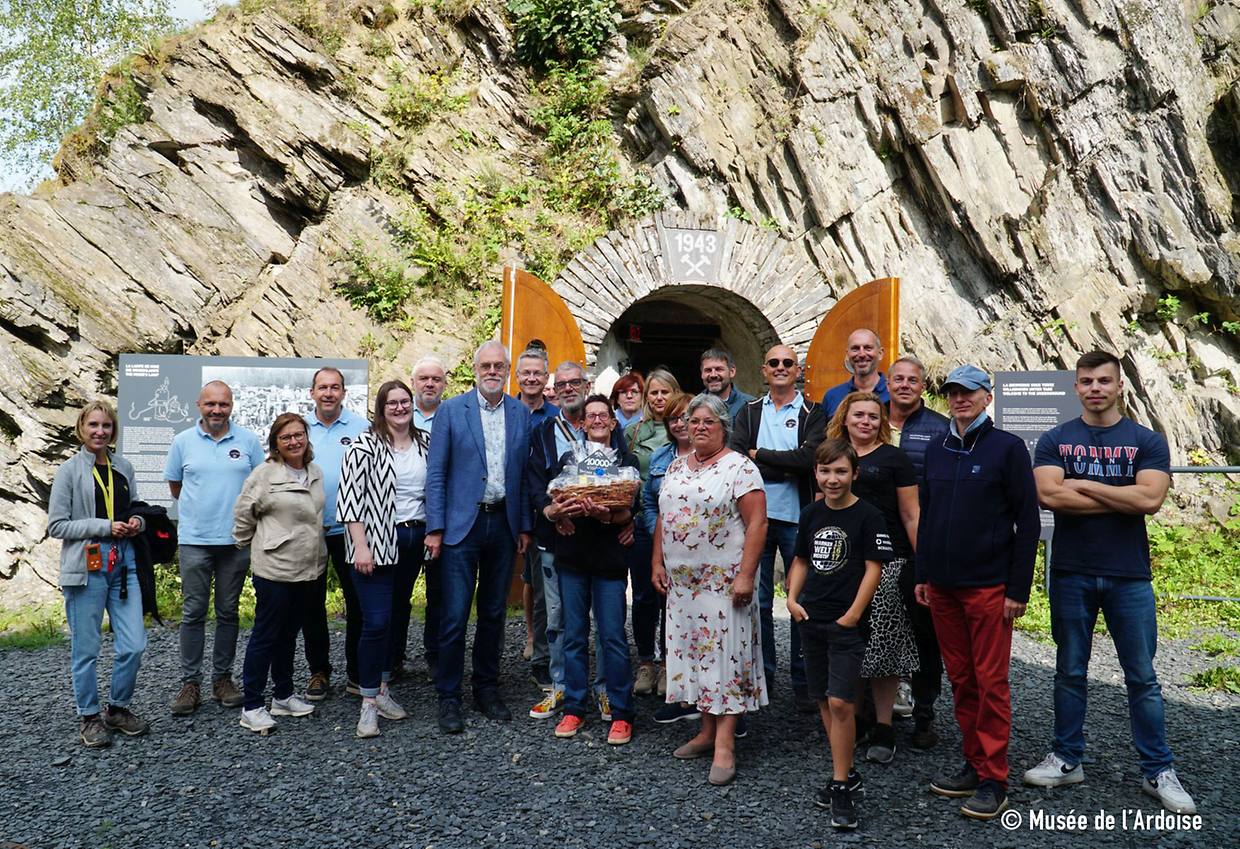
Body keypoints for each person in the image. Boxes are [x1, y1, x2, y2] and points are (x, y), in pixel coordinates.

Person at [1023, 350, 1195, 814]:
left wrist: (1082, 484)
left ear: (1120, 386)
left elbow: (1151, 500)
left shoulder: (1146, 440)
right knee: (1069, 671)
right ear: (1076, 387)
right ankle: (1066, 759)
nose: (1095, 388)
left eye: (1103, 380)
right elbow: (1047, 494)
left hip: (1129, 574)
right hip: (1071, 571)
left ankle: (1158, 770)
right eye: (1086, 381)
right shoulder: (1056, 438)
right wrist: (1123, 495)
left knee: (1142, 677)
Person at [914, 364, 1039, 820]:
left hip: (988, 586)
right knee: (962, 680)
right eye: (952, 392)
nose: (959, 399)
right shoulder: (937, 448)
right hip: (943, 587)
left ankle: (994, 779)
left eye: (969, 392)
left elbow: (1028, 522)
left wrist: (1018, 588)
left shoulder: (1007, 448)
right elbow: (927, 516)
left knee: (991, 682)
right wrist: (923, 574)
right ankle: (973, 763)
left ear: (987, 396)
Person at [653, 393, 767, 786]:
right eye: (694, 421)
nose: (700, 427)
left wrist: (746, 576)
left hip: (724, 585)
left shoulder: (740, 468)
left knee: (725, 659)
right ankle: (705, 732)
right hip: (683, 588)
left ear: (723, 427)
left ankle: (725, 744)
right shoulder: (675, 466)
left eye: (709, 421)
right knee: (696, 658)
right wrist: (656, 562)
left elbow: (758, 524)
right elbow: (664, 516)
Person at [425, 341, 534, 733]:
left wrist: (524, 526)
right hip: (460, 528)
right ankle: (449, 696)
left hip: (503, 525)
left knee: (493, 613)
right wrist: (435, 528)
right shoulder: (452, 410)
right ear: (475, 370)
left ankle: (486, 688)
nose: (492, 372)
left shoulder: (520, 413)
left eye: (498, 366)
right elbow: (436, 473)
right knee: (454, 616)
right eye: (485, 366)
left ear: (507, 371)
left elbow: (523, 475)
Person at [786, 439, 889, 830]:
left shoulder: (869, 516)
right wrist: (791, 599)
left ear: (855, 474)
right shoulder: (811, 513)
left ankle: (841, 785)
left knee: (842, 702)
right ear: (815, 473)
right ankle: (845, 771)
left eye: (841, 471)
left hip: (846, 625)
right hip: (811, 619)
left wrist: (853, 615)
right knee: (824, 701)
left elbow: (874, 568)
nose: (833, 479)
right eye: (826, 471)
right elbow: (801, 559)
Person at [729, 345, 825, 713]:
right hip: (754, 520)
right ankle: (763, 677)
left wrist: (762, 456)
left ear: (798, 370)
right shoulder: (749, 412)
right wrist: (786, 467)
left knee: (801, 601)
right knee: (758, 602)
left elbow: (810, 458)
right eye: (774, 363)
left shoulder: (813, 412)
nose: (781, 367)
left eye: (788, 363)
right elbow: (738, 459)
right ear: (764, 370)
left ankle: (803, 682)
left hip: (797, 518)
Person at [48, 401, 150, 747]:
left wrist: (138, 521)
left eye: (106, 426)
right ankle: (89, 716)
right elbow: (57, 525)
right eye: (93, 425)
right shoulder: (69, 470)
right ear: (81, 428)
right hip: (86, 566)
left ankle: (117, 709)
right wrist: (104, 526)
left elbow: (137, 507)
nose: (100, 431)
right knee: (86, 648)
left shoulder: (124, 467)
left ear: (113, 430)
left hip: (124, 563)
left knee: (134, 644)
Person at [538, 395, 639, 745]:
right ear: (581, 424)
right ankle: (575, 707)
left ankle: (622, 712)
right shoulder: (569, 460)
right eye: (590, 416)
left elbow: (628, 511)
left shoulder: (626, 462)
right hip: (573, 558)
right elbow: (553, 498)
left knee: (612, 637)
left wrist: (607, 515)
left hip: (610, 561)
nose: (597, 420)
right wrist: (557, 513)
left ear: (613, 422)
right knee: (574, 636)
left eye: (603, 415)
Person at [827, 391, 920, 764]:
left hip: (887, 562)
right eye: (858, 415)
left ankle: (884, 727)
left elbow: (911, 513)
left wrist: (921, 563)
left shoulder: (895, 458)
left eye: (872, 416)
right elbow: (822, 508)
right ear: (845, 418)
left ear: (881, 422)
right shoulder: (832, 455)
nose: (865, 421)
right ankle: (854, 721)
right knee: (848, 645)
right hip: (842, 563)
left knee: (883, 647)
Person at [165, 381, 265, 716]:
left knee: (228, 611)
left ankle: (222, 679)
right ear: (199, 405)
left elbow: (260, 484)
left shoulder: (248, 441)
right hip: (195, 540)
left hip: (236, 541)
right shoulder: (182, 442)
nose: (217, 410)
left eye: (223, 404)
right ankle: (190, 683)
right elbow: (176, 486)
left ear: (231, 406)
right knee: (193, 612)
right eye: (211, 404)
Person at [336, 380, 429, 737]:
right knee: (375, 623)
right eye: (392, 403)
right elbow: (349, 500)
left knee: (396, 617)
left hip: (413, 541)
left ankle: (384, 689)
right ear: (381, 408)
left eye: (405, 401)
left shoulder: (426, 443)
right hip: (374, 545)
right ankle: (368, 703)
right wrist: (360, 546)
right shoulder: (364, 446)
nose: (400, 408)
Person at [525, 363, 610, 718]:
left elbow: (623, 476)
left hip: (600, 537)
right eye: (561, 384)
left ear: (586, 386)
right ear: (554, 391)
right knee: (557, 617)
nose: (568, 388)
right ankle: (561, 685)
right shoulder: (543, 431)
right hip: (555, 540)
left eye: (575, 382)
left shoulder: (603, 424)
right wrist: (550, 512)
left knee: (603, 620)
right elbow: (533, 482)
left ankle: (605, 689)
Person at [233, 413, 326, 733]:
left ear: (306, 437)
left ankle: (283, 696)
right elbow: (243, 514)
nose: (294, 441)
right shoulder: (264, 475)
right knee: (266, 635)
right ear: (275, 443)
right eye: (285, 437)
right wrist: (256, 544)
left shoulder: (314, 472)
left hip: (309, 567)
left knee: (289, 634)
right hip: (275, 568)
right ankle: (252, 705)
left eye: (299, 435)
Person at [885, 355, 950, 745]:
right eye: (898, 379)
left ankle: (925, 712)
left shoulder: (939, 428)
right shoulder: (870, 419)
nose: (905, 385)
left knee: (924, 632)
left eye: (912, 380)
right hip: (878, 541)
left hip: (920, 541)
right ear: (888, 384)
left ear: (922, 387)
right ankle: (877, 714)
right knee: (879, 629)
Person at [303, 366, 367, 700]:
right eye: (322, 387)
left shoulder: (362, 428)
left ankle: (357, 672)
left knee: (358, 603)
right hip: (309, 529)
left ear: (344, 392)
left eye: (335, 387)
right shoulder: (299, 429)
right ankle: (319, 671)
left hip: (351, 529)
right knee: (311, 604)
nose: (328, 393)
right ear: (312, 392)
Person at [639, 392, 692, 709]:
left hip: (695, 551)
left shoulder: (711, 456)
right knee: (652, 602)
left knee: (683, 609)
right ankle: (651, 664)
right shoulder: (660, 458)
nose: (680, 423)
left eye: (685, 417)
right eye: (673, 418)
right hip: (659, 544)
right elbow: (649, 503)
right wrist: (657, 535)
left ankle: (674, 668)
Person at [513, 348, 558, 669]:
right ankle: (530, 637)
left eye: (537, 373)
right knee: (524, 581)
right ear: (516, 377)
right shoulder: (505, 411)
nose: (531, 378)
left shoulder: (556, 417)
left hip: (543, 514)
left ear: (545, 378)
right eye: (526, 373)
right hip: (509, 510)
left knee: (544, 587)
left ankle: (544, 653)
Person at [408, 355, 447, 682]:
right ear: (413, 384)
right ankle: (392, 657)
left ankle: (434, 654)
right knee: (397, 592)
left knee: (438, 593)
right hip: (403, 517)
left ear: (444, 385)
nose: (430, 384)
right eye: (424, 379)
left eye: (436, 379)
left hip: (440, 518)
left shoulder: (453, 416)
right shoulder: (399, 414)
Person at [624, 367, 682, 478]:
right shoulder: (633, 431)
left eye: (664, 392)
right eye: (654, 393)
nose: (659, 398)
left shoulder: (685, 429)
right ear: (647, 397)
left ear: (676, 394)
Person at [820, 329, 889, 418]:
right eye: (855, 348)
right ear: (847, 354)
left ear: (880, 353)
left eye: (868, 348)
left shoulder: (893, 394)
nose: (862, 354)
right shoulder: (832, 397)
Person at [701, 348, 754, 422]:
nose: (713, 375)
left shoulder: (750, 406)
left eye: (719, 369)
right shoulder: (693, 406)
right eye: (708, 370)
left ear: (732, 372)